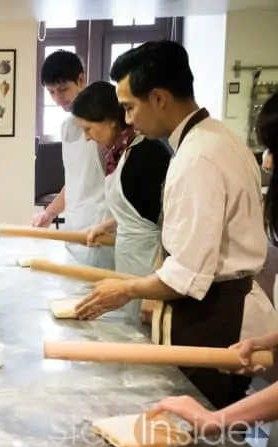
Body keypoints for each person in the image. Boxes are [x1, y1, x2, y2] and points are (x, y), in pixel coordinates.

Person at [74, 41, 277, 409]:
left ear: (159, 98)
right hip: (218, 307)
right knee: (218, 422)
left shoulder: (198, 158)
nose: (129, 119)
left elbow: (185, 275)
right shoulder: (218, 138)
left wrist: (128, 290)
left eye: (130, 107)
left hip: (214, 318)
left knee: (200, 436)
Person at [153, 92, 278, 430]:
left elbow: (192, 268)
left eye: (274, 149)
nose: (267, 162)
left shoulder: (202, 155)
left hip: (218, 309)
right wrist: (271, 341)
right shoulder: (209, 144)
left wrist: (216, 419)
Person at [71, 81, 170, 323]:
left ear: (111, 121)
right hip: (130, 260)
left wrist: (155, 288)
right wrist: (106, 226)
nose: (86, 138)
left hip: (150, 263)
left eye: (88, 128)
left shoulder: (148, 155)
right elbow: (138, 209)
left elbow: (167, 222)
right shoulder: (120, 152)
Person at [32, 50, 114, 270]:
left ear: (81, 79)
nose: (58, 99)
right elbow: (76, 181)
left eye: (63, 89)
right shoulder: (67, 127)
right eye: (51, 92)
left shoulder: (105, 124)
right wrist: (48, 213)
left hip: (102, 233)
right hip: (75, 230)